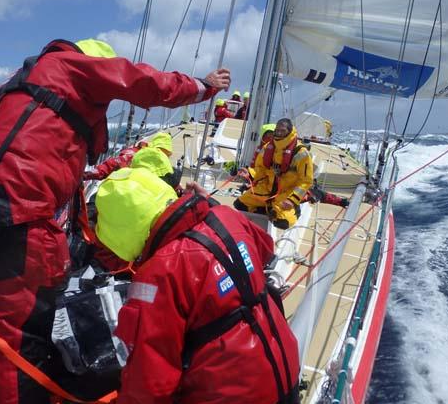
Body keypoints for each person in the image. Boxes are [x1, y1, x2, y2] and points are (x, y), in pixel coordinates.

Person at [0, 38, 230, 404]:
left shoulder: (27, 82)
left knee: (25, 315)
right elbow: (140, 80)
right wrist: (202, 87)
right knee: (21, 332)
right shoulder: (71, 66)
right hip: (15, 203)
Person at [95, 167, 300, 404]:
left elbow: (151, 380)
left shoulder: (158, 274)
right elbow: (264, 249)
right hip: (285, 371)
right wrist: (209, 205)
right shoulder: (226, 216)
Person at [234, 118, 313, 230]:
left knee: (283, 222)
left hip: (286, 194)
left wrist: (292, 200)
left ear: (290, 132)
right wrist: (249, 173)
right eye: (277, 130)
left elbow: (306, 181)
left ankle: (295, 210)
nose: (279, 133)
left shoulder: (301, 153)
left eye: (283, 131)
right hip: (267, 190)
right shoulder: (267, 148)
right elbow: (260, 170)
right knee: (240, 204)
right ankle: (270, 211)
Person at [82, 130, 174, 181]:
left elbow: (111, 164)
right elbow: (112, 164)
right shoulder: (134, 154)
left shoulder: (134, 153)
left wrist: (88, 175)